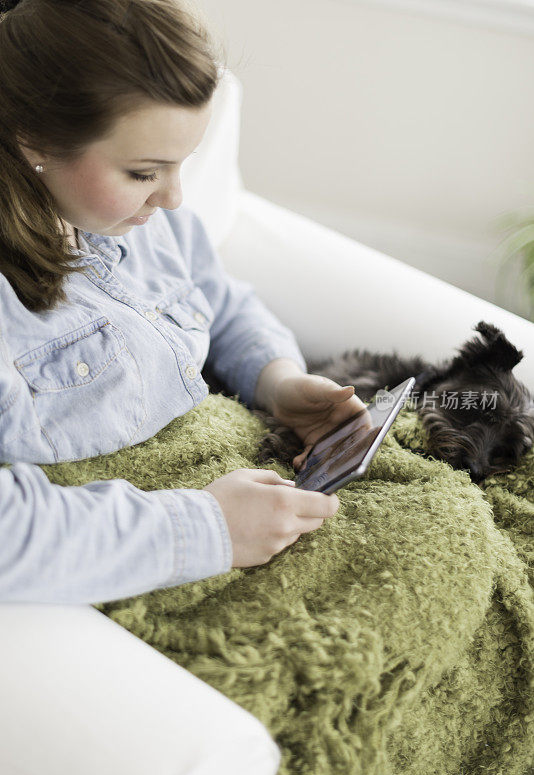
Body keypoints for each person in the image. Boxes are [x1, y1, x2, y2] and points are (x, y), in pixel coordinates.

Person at [0, 0, 367, 605]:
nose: (173, 198)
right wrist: (210, 527)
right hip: (146, 550)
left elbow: (219, 303)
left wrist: (278, 381)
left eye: (183, 166)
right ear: (30, 140)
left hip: (247, 475)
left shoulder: (142, 223)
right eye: (145, 172)